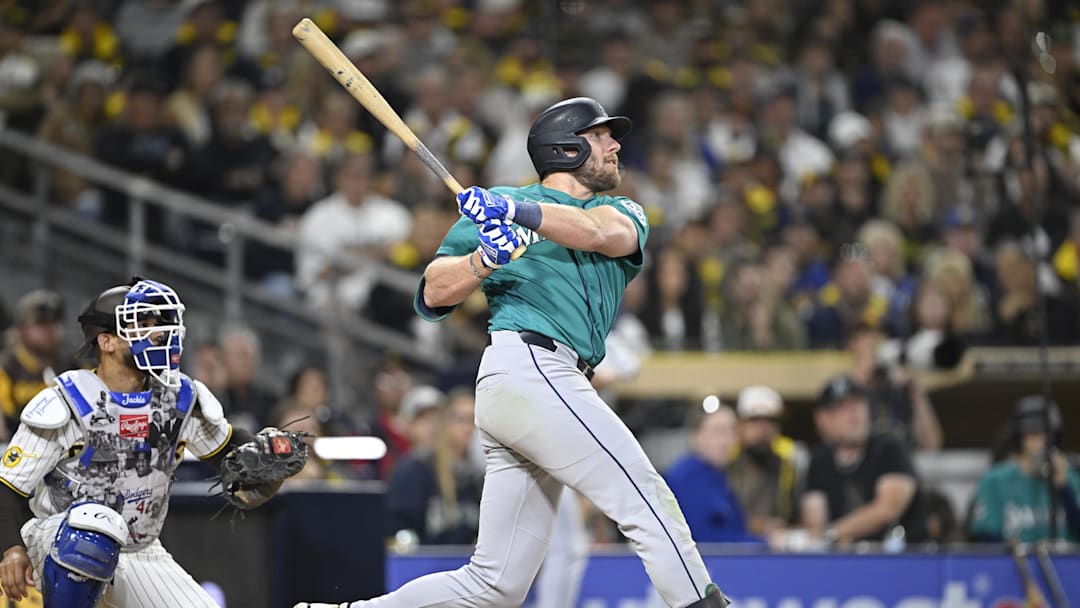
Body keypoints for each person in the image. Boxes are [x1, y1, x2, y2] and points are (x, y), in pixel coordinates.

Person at [296, 97, 729, 607]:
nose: (615, 145)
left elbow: (597, 235)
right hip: (528, 368)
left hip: (546, 382)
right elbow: (435, 291)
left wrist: (517, 214)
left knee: (494, 587)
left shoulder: (618, 209)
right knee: (646, 500)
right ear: (566, 148)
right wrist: (485, 257)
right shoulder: (494, 204)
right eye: (601, 136)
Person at [0, 278, 300, 607]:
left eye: (157, 323)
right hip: (56, 539)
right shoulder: (70, 400)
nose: (157, 333)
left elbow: (230, 453)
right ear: (107, 341)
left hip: (139, 548)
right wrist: (11, 548)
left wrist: (265, 459)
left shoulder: (178, 397)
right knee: (91, 532)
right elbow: (7, 487)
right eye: (142, 324)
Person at [799, 375, 927, 546]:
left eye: (858, 404)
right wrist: (822, 536)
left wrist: (832, 533)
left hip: (905, 559)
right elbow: (814, 520)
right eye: (842, 407)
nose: (854, 413)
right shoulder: (820, 459)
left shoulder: (889, 446)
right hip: (846, 559)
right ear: (823, 418)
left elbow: (888, 510)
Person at [968, 396, 1080, 543]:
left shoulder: (1070, 478)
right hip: (1015, 564)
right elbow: (982, 538)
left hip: (1063, 565)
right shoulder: (995, 480)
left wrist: (1065, 490)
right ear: (1019, 438)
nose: (1040, 442)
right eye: (1032, 434)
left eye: (1047, 435)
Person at [665, 401, 763, 544]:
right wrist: (765, 544)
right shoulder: (688, 476)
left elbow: (735, 527)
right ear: (697, 436)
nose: (728, 440)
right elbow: (703, 538)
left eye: (732, 432)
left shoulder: (718, 475)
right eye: (719, 431)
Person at [727, 386, 805, 537]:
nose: (764, 429)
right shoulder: (724, 464)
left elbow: (800, 520)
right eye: (755, 420)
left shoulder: (790, 465)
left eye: (771, 421)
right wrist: (754, 525)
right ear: (740, 426)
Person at [0, 290, 78, 440]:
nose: (49, 331)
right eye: (40, 324)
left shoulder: (72, 366)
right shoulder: (6, 369)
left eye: (54, 323)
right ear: (21, 330)